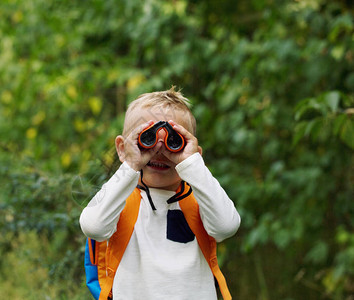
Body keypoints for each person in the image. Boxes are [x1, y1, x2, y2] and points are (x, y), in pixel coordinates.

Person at [80, 87, 241, 299]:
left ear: (194, 155)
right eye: (146, 140)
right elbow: (93, 226)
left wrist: (192, 165)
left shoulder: (201, 201)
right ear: (122, 148)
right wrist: (131, 164)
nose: (159, 150)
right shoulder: (118, 200)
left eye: (174, 142)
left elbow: (226, 226)